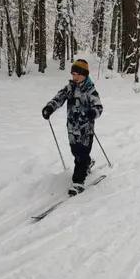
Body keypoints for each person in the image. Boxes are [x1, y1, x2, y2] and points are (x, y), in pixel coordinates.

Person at [42, 59, 103, 196]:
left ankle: (78, 182)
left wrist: (92, 113)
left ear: (84, 74)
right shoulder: (70, 88)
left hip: (86, 130)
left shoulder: (90, 90)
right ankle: (87, 163)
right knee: (75, 152)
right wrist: (50, 107)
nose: (74, 77)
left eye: (77, 74)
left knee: (81, 155)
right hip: (72, 128)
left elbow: (98, 107)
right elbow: (59, 97)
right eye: (73, 74)